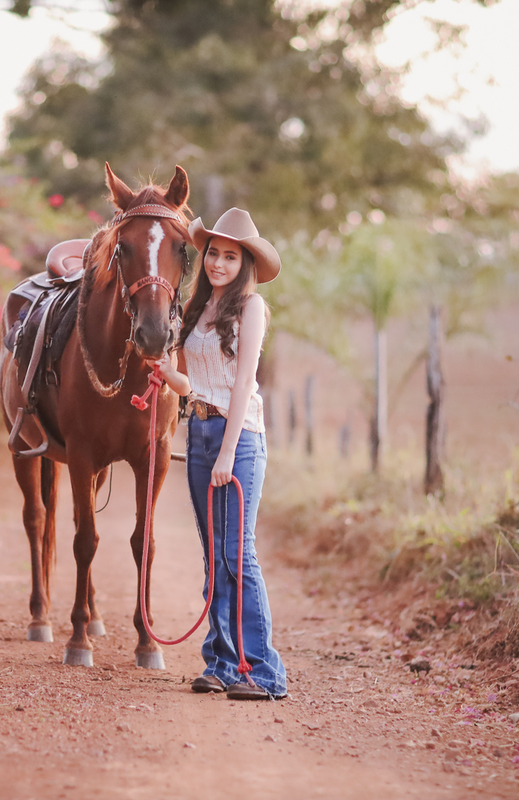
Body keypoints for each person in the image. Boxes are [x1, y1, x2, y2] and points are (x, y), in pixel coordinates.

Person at [152, 207, 287, 701]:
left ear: (244, 263)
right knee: (214, 556)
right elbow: (197, 384)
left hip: (240, 438)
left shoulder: (251, 308)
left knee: (237, 555)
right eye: (214, 253)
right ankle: (222, 662)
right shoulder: (198, 308)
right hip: (201, 431)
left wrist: (229, 451)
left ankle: (263, 673)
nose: (218, 263)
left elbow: (244, 381)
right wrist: (168, 376)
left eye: (230, 257)